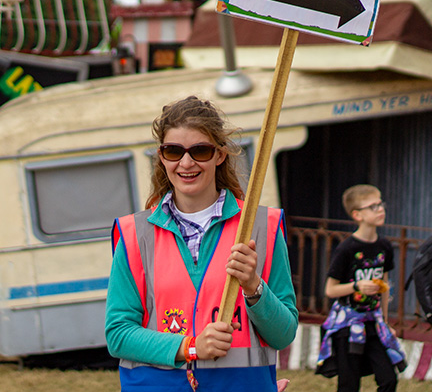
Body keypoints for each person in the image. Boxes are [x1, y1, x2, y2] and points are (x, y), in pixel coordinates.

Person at [105, 96, 298, 391]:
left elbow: (283, 335)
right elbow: (118, 334)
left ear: (219, 155)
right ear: (161, 156)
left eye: (200, 151)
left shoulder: (263, 227)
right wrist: (191, 347)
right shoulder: (134, 233)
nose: (186, 163)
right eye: (173, 151)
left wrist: (254, 288)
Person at [316, 184, 406, 392]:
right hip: (348, 326)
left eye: (381, 203)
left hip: (373, 323)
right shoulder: (347, 248)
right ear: (357, 215)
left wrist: (384, 322)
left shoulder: (384, 246)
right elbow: (330, 290)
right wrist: (357, 286)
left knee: (388, 379)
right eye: (373, 206)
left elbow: (384, 287)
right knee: (349, 385)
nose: (381, 209)